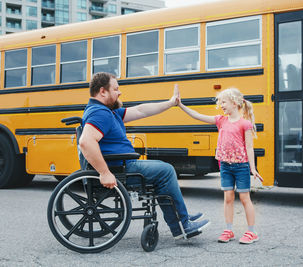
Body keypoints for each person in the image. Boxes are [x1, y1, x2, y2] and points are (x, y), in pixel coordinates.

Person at [79, 72, 210, 239]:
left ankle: (180, 218)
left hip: (123, 165)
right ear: (103, 91)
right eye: (116, 89)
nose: (120, 93)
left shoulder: (108, 112)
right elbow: (86, 142)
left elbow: (141, 110)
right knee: (166, 170)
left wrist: (170, 103)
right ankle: (182, 224)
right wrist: (105, 173)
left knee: (162, 170)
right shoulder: (100, 113)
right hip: (121, 169)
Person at [177, 86, 263, 244]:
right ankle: (229, 230)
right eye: (220, 102)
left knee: (245, 198)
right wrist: (182, 106)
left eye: (224, 102)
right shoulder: (220, 120)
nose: (221, 105)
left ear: (235, 103)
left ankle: (252, 232)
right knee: (228, 198)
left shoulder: (245, 124)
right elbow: (198, 116)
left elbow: (250, 148)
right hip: (225, 166)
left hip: (241, 166)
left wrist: (253, 168)